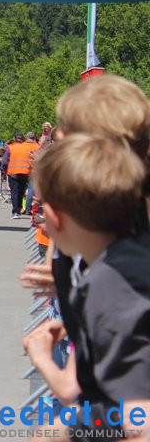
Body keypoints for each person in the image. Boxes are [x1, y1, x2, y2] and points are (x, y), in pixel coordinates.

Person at [22, 134, 150, 439]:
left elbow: (135, 419)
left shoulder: (107, 285)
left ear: (54, 217)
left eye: (42, 207)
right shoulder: (119, 265)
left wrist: (41, 355)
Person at [2, 131, 38, 218]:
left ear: (14, 138)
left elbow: (4, 161)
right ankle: (18, 209)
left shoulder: (10, 147)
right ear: (23, 139)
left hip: (13, 173)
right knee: (21, 192)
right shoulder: (27, 147)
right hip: (25, 172)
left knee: (14, 192)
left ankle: (15, 211)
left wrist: (3, 171)